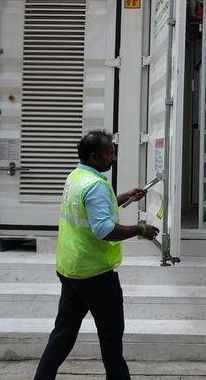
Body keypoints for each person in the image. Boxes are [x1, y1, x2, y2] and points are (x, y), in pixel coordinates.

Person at [35, 130, 159, 380]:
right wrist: (141, 229)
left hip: (71, 269)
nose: (113, 158)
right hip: (96, 274)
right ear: (94, 156)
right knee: (111, 339)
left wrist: (124, 197)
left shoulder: (76, 176)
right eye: (109, 153)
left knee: (63, 334)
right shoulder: (96, 186)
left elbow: (91, 207)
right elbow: (104, 229)